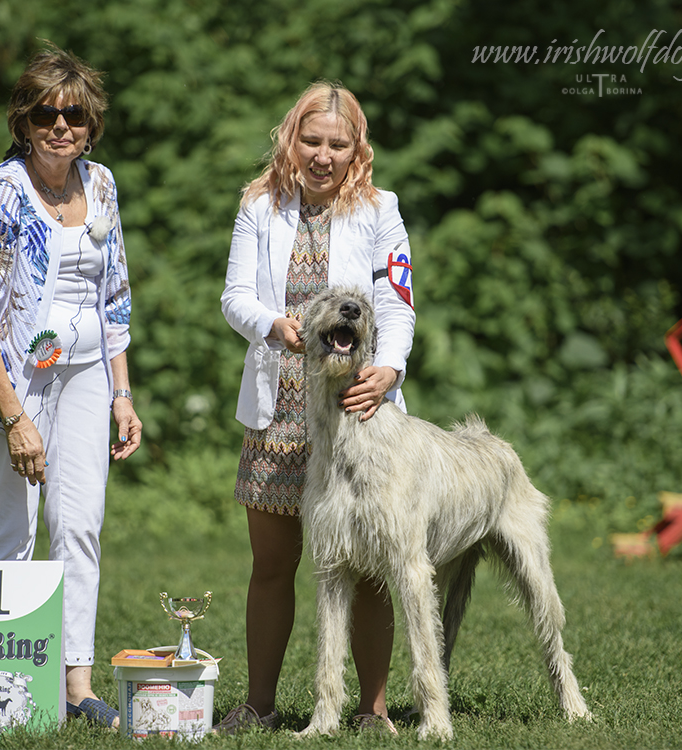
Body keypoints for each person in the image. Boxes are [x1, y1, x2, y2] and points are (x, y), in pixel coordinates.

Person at [0, 43, 141, 729]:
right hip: (15, 375)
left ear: (91, 124)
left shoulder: (103, 184)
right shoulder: (1, 191)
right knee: (14, 521)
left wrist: (122, 393)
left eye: (75, 114)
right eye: (48, 113)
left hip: (87, 373)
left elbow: (116, 293)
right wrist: (14, 416)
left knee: (79, 524)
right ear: (24, 121)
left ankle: (74, 685)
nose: (62, 125)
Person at [217, 81, 416, 734]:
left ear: (357, 148)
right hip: (279, 408)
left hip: (361, 408)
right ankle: (260, 705)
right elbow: (234, 296)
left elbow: (395, 302)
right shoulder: (258, 204)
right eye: (312, 140)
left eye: (338, 143)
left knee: (370, 567)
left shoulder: (381, 209)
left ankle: (372, 710)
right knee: (273, 566)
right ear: (291, 140)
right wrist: (273, 326)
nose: (323, 155)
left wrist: (389, 368)